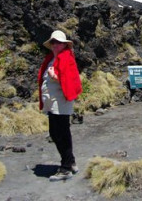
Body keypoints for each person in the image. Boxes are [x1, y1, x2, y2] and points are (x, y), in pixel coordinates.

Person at [38, 30, 83, 181]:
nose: (55, 45)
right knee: (57, 132)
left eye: (58, 42)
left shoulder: (66, 58)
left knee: (60, 133)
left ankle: (65, 168)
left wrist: (55, 77)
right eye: (53, 42)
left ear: (64, 45)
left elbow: (71, 79)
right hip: (52, 102)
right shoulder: (51, 58)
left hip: (61, 101)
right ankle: (70, 162)